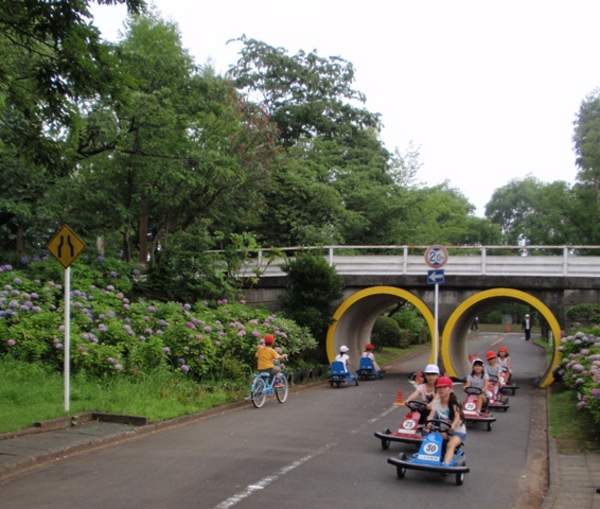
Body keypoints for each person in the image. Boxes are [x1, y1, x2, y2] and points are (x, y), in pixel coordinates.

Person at [425, 376, 467, 465]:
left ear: (450, 389)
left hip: (458, 432)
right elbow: (431, 416)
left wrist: (453, 426)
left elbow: (457, 417)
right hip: (444, 430)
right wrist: (428, 424)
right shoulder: (436, 404)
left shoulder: (454, 402)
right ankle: (428, 458)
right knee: (432, 439)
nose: (441, 390)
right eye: (439, 387)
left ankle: (446, 465)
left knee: (450, 445)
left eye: (444, 387)